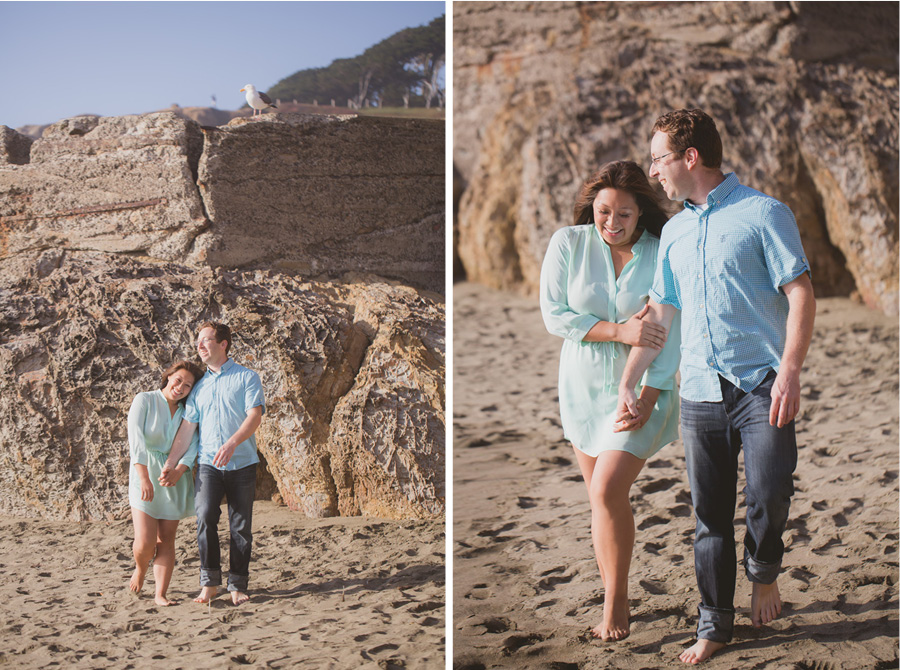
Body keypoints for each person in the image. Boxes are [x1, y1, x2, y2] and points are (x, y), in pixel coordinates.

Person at [615, 109, 816, 664]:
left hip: (763, 385)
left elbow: (800, 292)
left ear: (689, 157)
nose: (654, 172)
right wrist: (629, 380)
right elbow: (660, 312)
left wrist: (792, 370)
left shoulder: (763, 213)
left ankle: (764, 571)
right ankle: (714, 624)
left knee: (771, 492)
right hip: (701, 392)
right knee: (709, 515)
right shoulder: (675, 230)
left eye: (658, 159)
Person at [539, 160, 682, 641]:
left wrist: (648, 395)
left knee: (606, 492)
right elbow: (554, 315)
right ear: (592, 207)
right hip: (580, 388)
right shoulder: (568, 243)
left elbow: (667, 334)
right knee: (601, 500)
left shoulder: (662, 253)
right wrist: (621, 329)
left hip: (644, 389)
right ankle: (613, 588)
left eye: (624, 213)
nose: (613, 223)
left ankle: (615, 599)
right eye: (604, 211)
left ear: (641, 212)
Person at [159, 322, 265, 607]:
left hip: (242, 462)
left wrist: (232, 443)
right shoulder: (199, 387)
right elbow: (186, 430)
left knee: (240, 527)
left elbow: (254, 416)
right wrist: (171, 462)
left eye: (206, 340)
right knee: (205, 517)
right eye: (198, 342)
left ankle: (237, 585)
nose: (200, 346)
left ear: (223, 344)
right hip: (208, 465)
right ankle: (210, 583)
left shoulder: (247, 378)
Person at [128, 359, 205, 606]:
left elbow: (193, 443)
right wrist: (144, 478)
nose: (181, 387)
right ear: (168, 376)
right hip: (145, 472)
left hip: (175, 478)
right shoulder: (145, 400)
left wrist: (180, 470)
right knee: (145, 541)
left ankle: (160, 594)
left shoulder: (187, 411)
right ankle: (140, 568)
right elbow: (136, 440)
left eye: (188, 385)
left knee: (166, 539)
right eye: (178, 379)